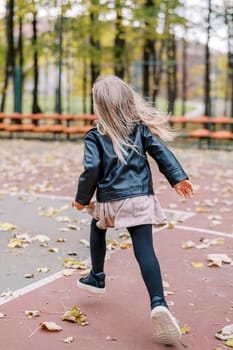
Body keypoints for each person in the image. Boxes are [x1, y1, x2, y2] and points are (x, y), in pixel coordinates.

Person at [72, 75, 195, 346]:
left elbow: (91, 170)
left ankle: (97, 275)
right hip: (139, 199)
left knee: (96, 226)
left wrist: (81, 199)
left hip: (110, 202)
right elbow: (161, 152)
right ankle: (159, 303)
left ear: (99, 106)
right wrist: (178, 178)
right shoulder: (140, 130)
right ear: (128, 102)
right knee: (145, 250)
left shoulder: (95, 136)